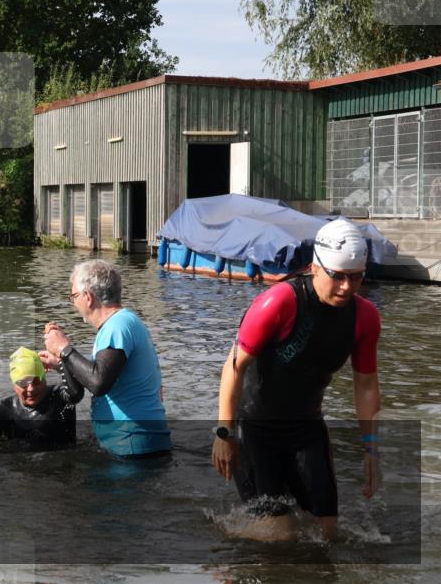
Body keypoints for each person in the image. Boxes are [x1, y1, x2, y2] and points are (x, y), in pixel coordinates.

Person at [211, 218, 382, 542]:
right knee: (282, 534)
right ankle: (224, 538)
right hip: (257, 428)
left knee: (327, 533)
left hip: (306, 427)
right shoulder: (278, 303)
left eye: (356, 277)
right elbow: (233, 368)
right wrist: (224, 431)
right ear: (316, 267)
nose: (347, 287)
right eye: (338, 276)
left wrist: (371, 448)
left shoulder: (365, 317)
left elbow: (367, 385)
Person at [42, 259, 171, 457]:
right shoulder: (122, 322)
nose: (73, 303)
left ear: (88, 297)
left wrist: (63, 348)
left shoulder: (116, 326)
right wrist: (61, 362)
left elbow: (99, 382)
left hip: (132, 444)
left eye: (73, 296)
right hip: (134, 442)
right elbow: (101, 374)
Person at [0, 347, 84, 447]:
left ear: (44, 379)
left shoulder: (59, 397)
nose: (31, 389)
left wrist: (60, 364)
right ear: (14, 385)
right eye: (23, 383)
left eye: (36, 381)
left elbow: (76, 394)